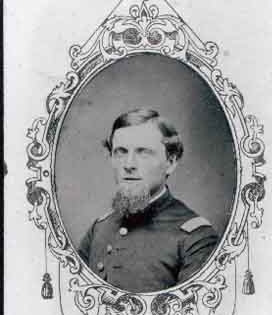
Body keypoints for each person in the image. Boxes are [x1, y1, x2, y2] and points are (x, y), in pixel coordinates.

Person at [78, 108, 218, 292]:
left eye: (143, 152)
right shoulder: (99, 228)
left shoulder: (197, 238)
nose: (128, 165)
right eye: (120, 152)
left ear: (171, 162)